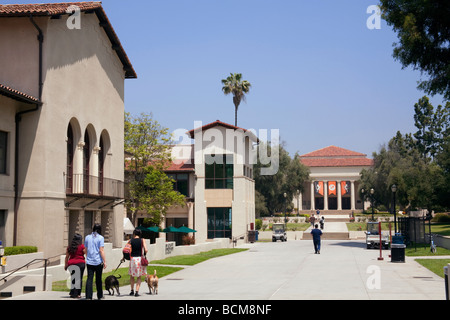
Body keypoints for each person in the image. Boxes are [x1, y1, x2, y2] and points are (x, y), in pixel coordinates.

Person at [85, 223, 106, 300]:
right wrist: (104, 261)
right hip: (98, 261)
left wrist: (87, 257)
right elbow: (101, 250)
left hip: (89, 261)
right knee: (98, 279)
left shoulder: (87, 237)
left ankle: (88, 296)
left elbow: (86, 250)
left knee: (89, 279)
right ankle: (100, 295)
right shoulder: (101, 238)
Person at [64, 234, 86, 298]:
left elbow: (67, 257)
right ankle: (77, 294)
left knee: (73, 278)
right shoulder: (82, 246)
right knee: (79, 279)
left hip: (71, 264)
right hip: (80, 263)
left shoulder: (69, 247)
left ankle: (72, 292)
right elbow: (86, 253)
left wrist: (66, 265)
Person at [128, 228, 148, 297]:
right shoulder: (142, 240)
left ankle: (131, 291)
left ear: (134, 234)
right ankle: (137, 292)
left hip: (132, 259)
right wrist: (145, 253)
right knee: (139, 276)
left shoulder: (130, 240)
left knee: (132, 276)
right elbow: (146, 249)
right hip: (139, 259)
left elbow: (127, 250)